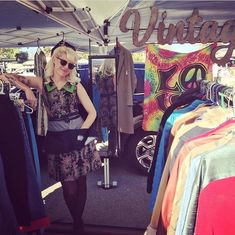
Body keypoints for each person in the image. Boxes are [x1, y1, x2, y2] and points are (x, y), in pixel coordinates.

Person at [0, 41, 102, 235]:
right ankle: (76, 217)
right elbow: (7, 76)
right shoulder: (43, 83)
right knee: (69, 187)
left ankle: (77, 221)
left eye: (71, 65)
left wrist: (82, 132)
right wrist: (27, 89)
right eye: (64, 63)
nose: (66, 68)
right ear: (55, 60)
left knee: (81, 181)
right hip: (58, 138)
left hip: (78, 135)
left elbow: (92, 112)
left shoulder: (75, 84)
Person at [94, 58, 117, 157]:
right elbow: (116, 89)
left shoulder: (98, 76)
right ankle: (111, 149)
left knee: (105, 126)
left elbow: (98, 88)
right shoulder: (114, 76)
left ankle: (103, 145)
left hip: (103, 103)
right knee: (113, 128)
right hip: (112, 103)